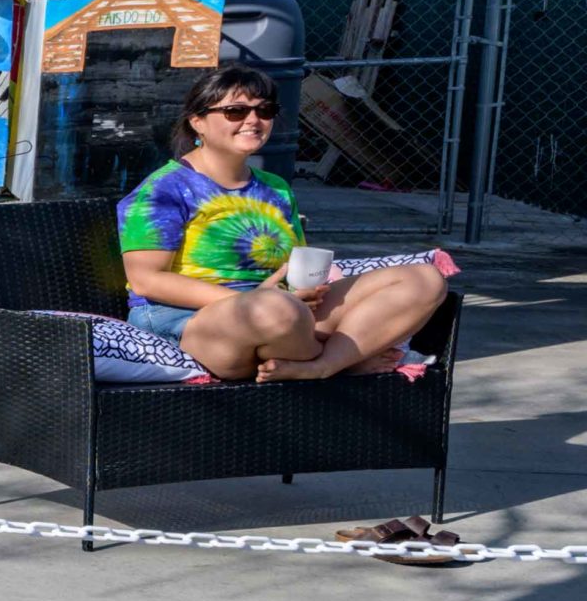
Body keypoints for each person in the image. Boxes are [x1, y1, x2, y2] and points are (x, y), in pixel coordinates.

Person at [117, 66, 446, 384]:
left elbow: (293, 268)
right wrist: (260, 299)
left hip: (283, 312)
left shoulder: (275, 187)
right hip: (190, 319)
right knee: (276, 310)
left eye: (265, 110)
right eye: (235, 111)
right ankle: (351, 361)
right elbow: (147, 280)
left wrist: (302, 291)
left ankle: (323, 366)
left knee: (424, 278)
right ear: (198, 121)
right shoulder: (164, 189)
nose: (253, 120)